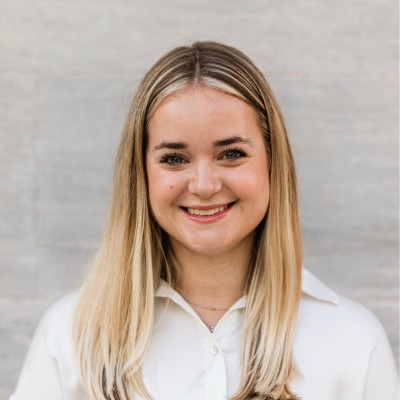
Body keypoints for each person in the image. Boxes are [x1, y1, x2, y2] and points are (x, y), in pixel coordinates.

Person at [10, 41, 398, 400]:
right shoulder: (69, 337)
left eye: (231, 154)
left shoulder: (352, 341)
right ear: (141, 174)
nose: (204, 185)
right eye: (174, 159)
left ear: (272, 161)